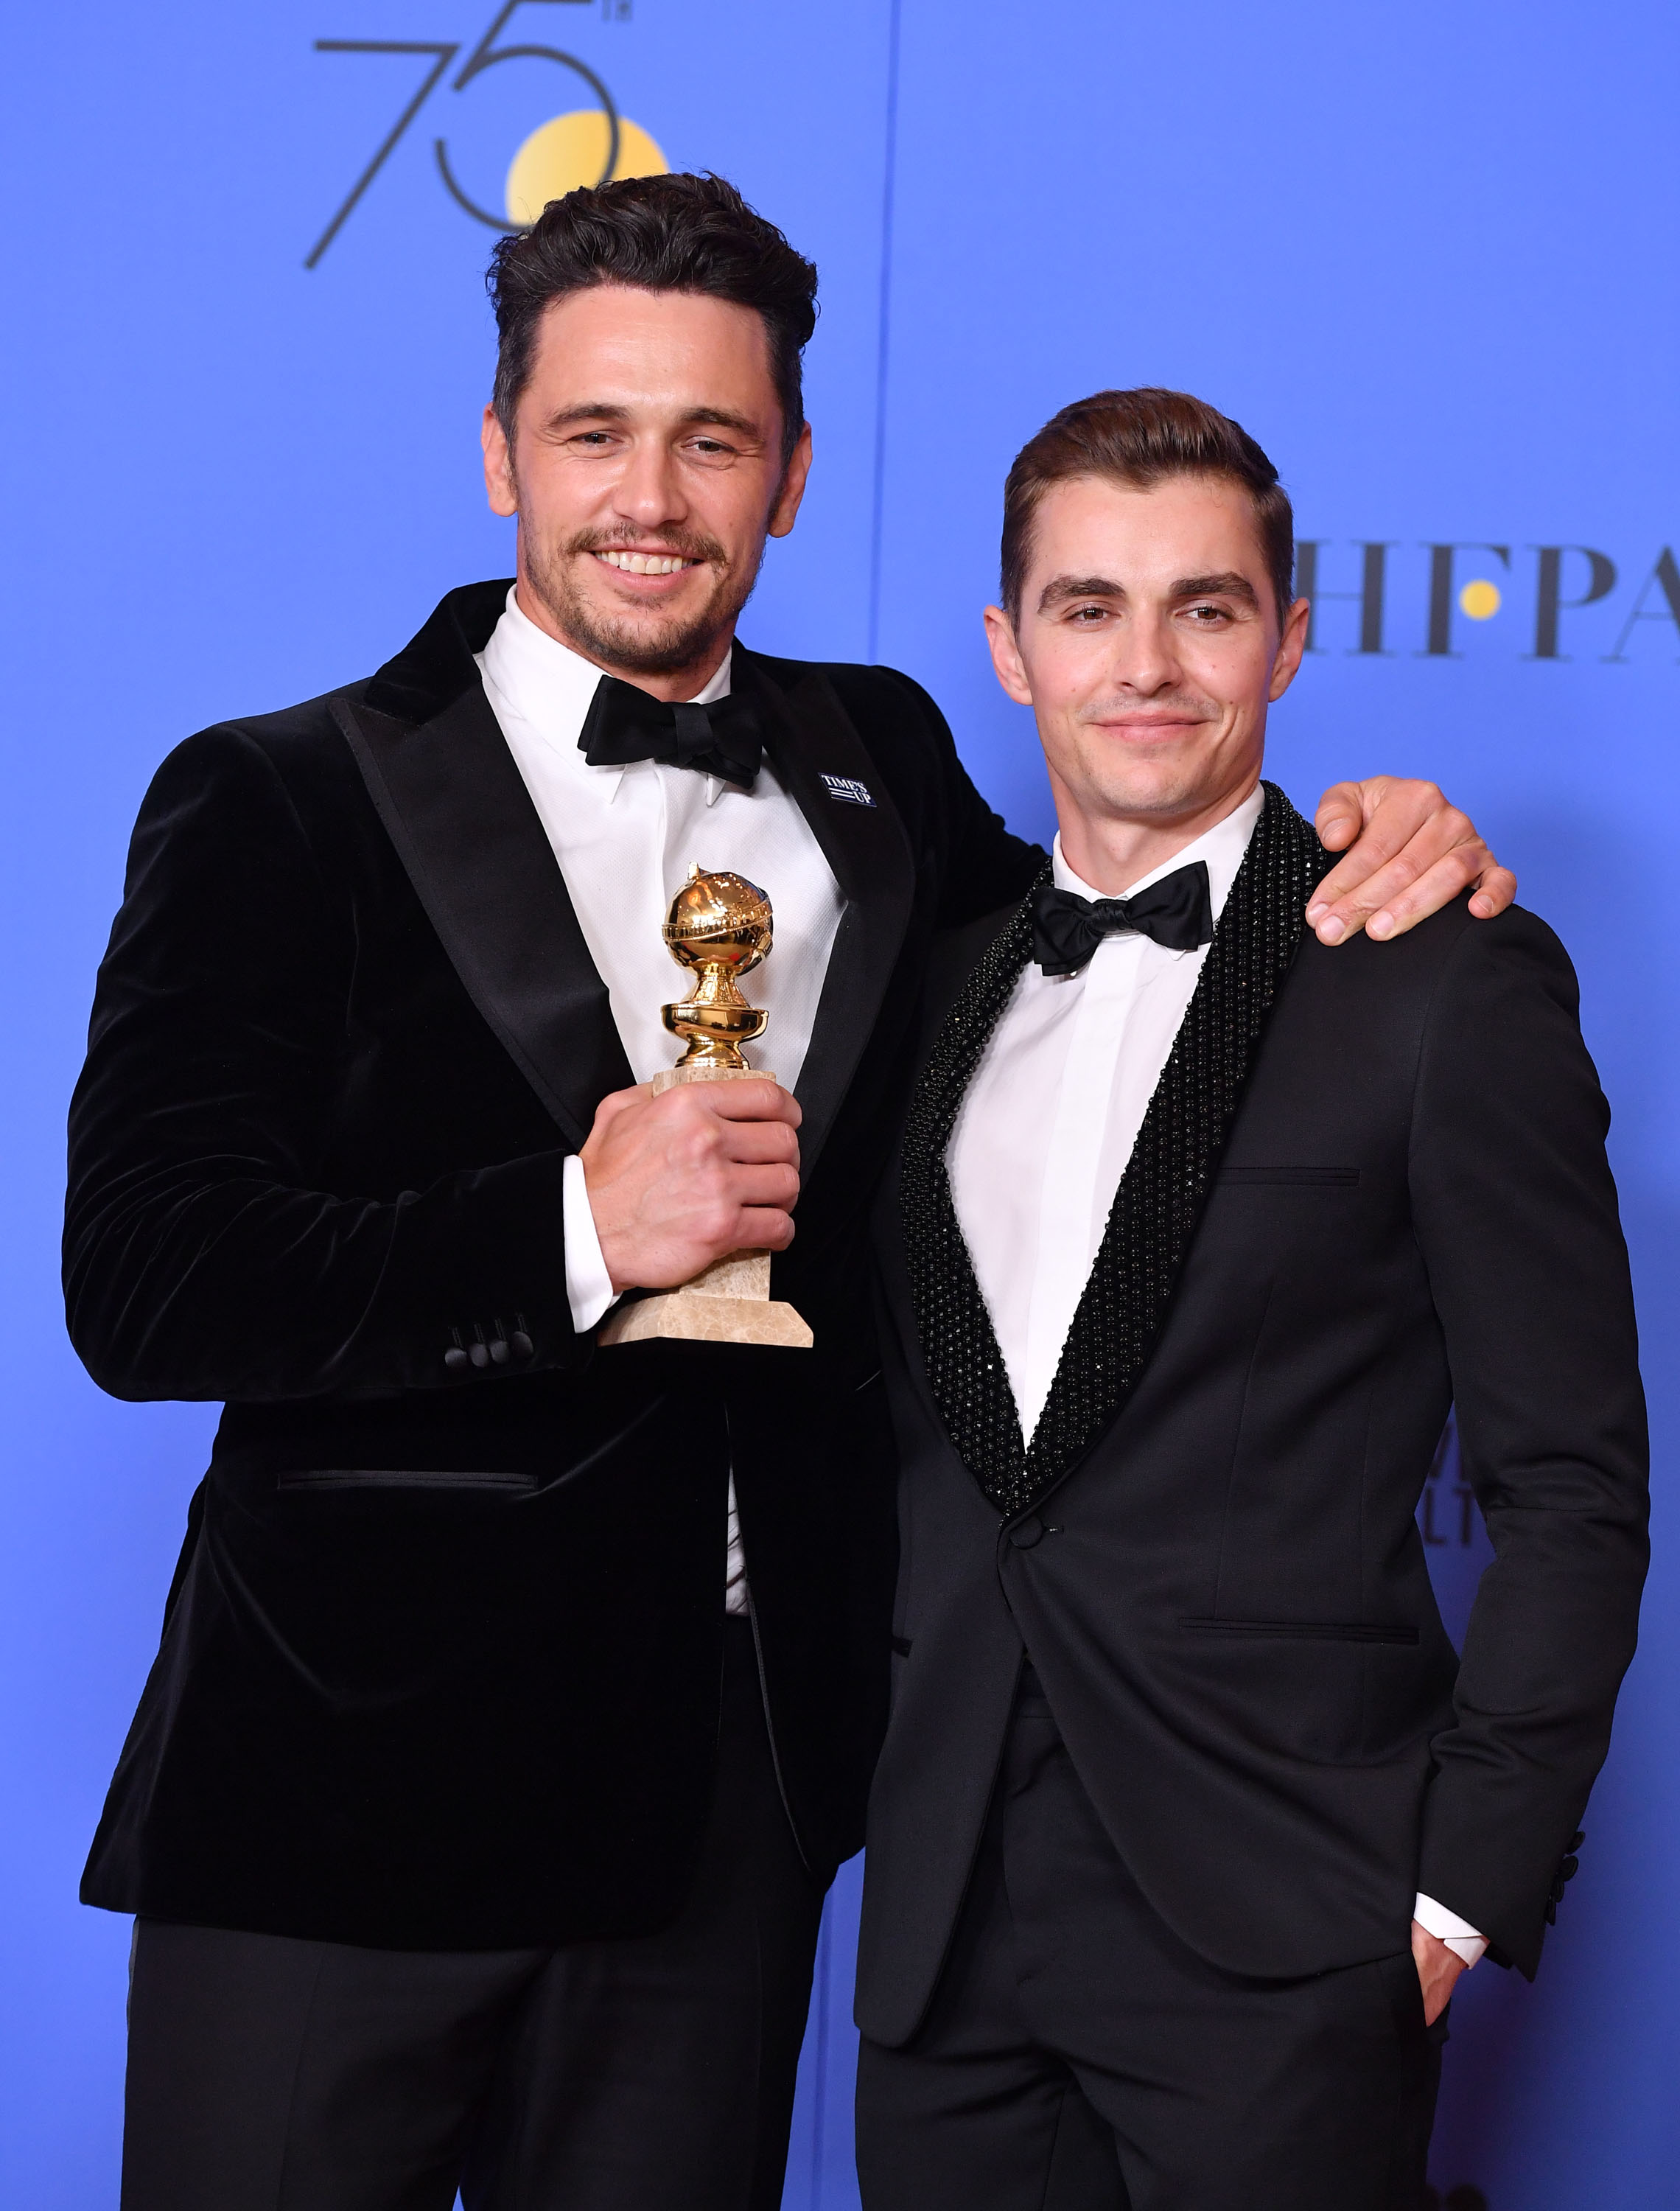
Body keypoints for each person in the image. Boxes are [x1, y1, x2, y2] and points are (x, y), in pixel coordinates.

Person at [66, 178, 1513, 2211]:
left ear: (796, 475)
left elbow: (1120, 929)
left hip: (727, 1822)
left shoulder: (878, 757)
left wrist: (1349, 838)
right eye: (594, 433)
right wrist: (574, 1227)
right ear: (498, 456)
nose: (653, 496)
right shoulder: (277, 794)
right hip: (342, 1809)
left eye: (714, 439)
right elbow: (146, 1280)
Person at [853, 386, 1650, 2211]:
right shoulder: (921, 985)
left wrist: (1464, 1886)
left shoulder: (1442, 980)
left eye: (1207, 608)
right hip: (942, 1927)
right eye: (1088, 609)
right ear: (1006, 647)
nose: (1147, 665)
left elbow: (1574, 1486)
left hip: (1288, 1923)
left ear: (1288, 635)